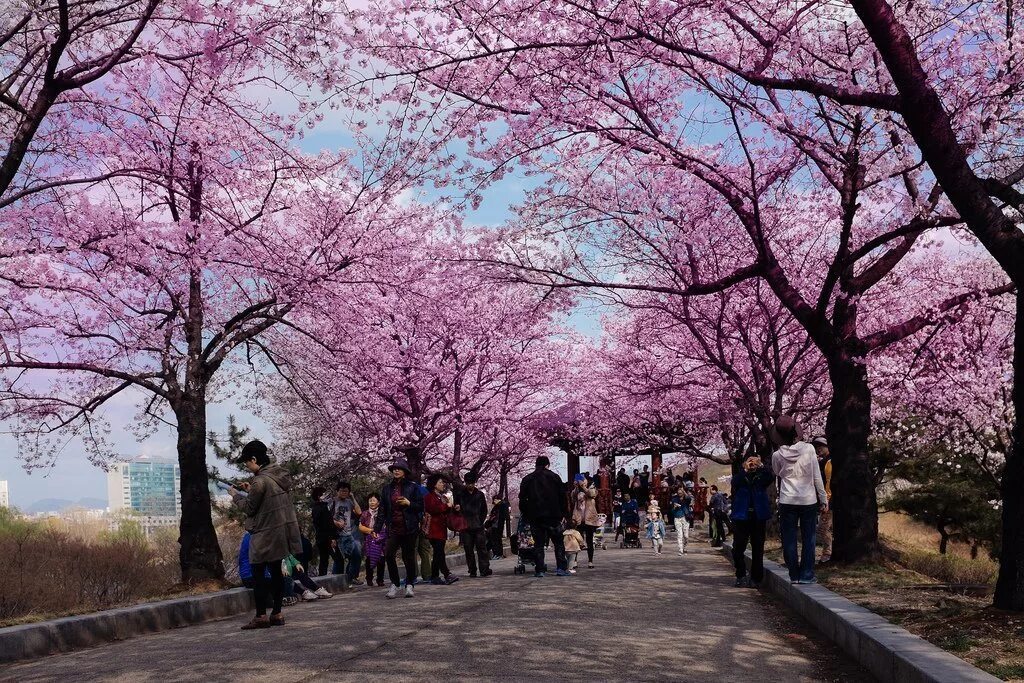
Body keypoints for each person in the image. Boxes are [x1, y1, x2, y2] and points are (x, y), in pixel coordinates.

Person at [230, 439, 302, 629]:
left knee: (258, 573)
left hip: (264, 534)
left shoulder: (260, 480)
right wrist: (249, 489)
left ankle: (261, 615)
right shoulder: (278, 476)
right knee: (277, 573)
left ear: (254, 459)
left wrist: (235, 496)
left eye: (247, 462)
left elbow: (250, 508)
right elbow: (267, 499)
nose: (246, 466)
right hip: (281, 531)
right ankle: (277, 614)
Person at [771, 416, 828, 584]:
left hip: (787, 499)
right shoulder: (809, 449)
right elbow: (817, 476)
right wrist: (823, 498)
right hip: (808, 500)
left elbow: (777, 472)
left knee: (789, 538)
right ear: (796, 432)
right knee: (808, 538)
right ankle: (807, 575)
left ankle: (794, 575)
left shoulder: (777, 455)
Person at [376, 458, 424, 598]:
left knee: (408, 557)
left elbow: (421, 506)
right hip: (393, 527)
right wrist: (377, 529)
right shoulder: (387, 489)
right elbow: (382, 511)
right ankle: (395, 584)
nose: (396, 470)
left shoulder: (412, 487)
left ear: (404, 472)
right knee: (389, 554)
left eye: (399, 468)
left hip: (409, 527)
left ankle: (409, 584)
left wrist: (409, 503)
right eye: (394, 469)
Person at [518, 455, 570, 577]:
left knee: (538, 544)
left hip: (535, 516)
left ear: (536, 465)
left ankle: (540, 570)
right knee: (558, 543)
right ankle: (561, 568)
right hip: (553, 516)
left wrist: (526, 514)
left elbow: (522, 499)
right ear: (548, 465)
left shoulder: (527, 479)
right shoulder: (555, 477)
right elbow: (563, 497)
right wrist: (563, 513)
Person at [731, 454, 773, 588]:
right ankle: (741, 574)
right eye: (750, 461)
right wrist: (744, 469)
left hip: (758, 516)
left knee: (758, 548)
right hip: (741, 516)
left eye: (755, 461)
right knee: (738, 548)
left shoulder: (762, 476)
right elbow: (734, 482)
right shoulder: (741, 476)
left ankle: (756, 578)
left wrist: (761, 467)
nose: (752, 463)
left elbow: (770, 477)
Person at [424, 474, 460, 585]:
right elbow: (433, 509)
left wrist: (454, 508)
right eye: (440, 482)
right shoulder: (429, 497)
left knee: (438, 553)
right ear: (434, 485)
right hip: (434, 530)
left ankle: (435, 576)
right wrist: (447, 506)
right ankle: (446, 574)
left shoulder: (441, 497)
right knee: (439, 553)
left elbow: (445, 510)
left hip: (441, 529)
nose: (442, 484)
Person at [455, 472, 492, 577]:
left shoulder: (480, 495)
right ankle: (472, 570)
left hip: (478, 525)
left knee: (482, 548)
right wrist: (457, 509)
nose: (470, 485)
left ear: (475, 483)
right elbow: (456, 509)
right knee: (468, 549)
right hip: (465, 526)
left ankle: (484, 569)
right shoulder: (460, 495)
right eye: (467, 483)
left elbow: (484, 510)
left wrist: (480, 521)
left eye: (471, 483)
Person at [329, 481, 364, 586]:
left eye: (346, 491)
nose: (344, 493)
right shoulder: (332, 501)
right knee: (339, 559)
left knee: (356, 554)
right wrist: (335, 523)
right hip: (337, 535)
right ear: (337, 491)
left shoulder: (349, 502)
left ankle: (351, 578)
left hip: (349, 534)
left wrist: (353, 498)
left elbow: (359, 512)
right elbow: (325, 517)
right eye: (342, 491)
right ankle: (336, 582)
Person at [310, 486, 342, 577]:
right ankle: (339, 581)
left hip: (320, 538)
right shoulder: (322, 508)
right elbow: (327, 524)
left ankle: (322, 580)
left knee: (324, 560)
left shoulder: (316, 508)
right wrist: (332, 538)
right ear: (319, 496)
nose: (326, 496)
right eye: (324, 494)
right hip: (327, 538)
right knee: (338, 559)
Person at [569, 473, 599, 569]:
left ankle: (590, 561)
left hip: (589, 519)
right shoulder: (576, 490)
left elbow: (592, 494)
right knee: (576, 541)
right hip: (578, 519)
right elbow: (573, 498)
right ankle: (575, 561)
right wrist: (576, 487)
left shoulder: (591, 486)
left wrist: (583, 487)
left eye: (582, 480)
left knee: (589, 540)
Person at [358, 493, 387, 587]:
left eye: (374, 500)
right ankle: (369, 578)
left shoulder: (382, 512)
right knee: (369, 559)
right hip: (369, 538)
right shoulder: (365, 513)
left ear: (378, 502)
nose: (372, 502)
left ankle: (380, 579)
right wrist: (371, 531)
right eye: (370, 500)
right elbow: (360, 526)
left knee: (381, 558)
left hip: (381, 537)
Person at [813, 436, 833, 563]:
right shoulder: (822, 462)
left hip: (829, 499)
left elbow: (829, 482)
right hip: (825, 499)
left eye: (821, 446)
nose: (818, 449)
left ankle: (827, 552)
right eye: (816, 447)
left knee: (822, 528)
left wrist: (826, 500)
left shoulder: (830, 461)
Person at [414, 474, 432, 586]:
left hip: (413, 523)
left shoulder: (408, 490)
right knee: (425, 550)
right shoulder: (425, 491)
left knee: (412, 550)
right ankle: (427, 575)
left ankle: (413, 576)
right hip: (425, 523)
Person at [669, 486, 693, 555]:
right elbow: (672, 511)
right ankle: (680, 549)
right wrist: (674, 507)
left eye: (681, 491)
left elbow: (689, 498)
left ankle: (685, 547)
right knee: (679, 535)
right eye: (678, 491)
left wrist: (684, 492)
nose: (679, 492)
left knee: (686, 536)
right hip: (677, 518)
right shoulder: (674, 499)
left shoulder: (686, 499)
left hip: (685, 517)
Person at [485, 495, 510, 560]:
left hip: (497, 525)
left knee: (496, 540)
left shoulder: (502, 505)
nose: (494, 501)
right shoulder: (496, 507)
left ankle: (498, 554)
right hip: (494, 525)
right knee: (495, 540)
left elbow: (504, 515)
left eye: (495, 499)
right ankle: (497, 554)